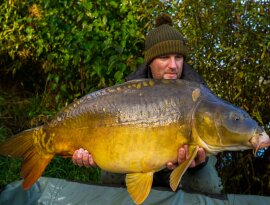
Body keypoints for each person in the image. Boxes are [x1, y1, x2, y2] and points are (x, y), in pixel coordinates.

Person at [72, 13, 223, 192]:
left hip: (183, 166)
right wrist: (90, 153)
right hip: (139, 159)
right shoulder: (129, 91)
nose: (173, 65)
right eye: (165, 57)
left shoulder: (199, 93)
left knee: (209, 184)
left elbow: (220, 144)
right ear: (150, 61)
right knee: (108, 176)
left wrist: (199, 161)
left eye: (179, 57)